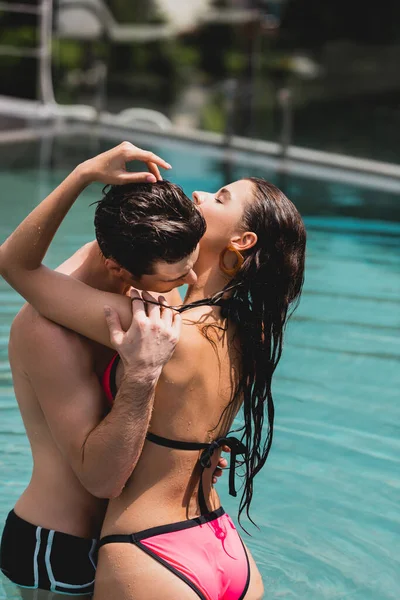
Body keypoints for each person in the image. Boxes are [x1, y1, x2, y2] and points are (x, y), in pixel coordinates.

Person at [0, 142, 307, 600]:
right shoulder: (250, 331)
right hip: (221, 549)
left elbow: (15, 265)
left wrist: (85, 174)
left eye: (220, 197)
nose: (200, 195)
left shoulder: (159, 325)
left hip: (143, 550)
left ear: (242, 242)